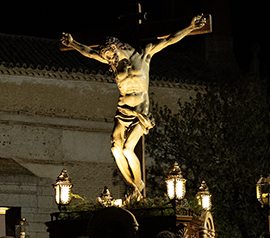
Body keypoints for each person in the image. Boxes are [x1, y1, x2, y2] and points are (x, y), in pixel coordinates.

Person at [61, 14, 207, 199]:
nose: (110, 60)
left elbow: (169, 40)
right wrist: (73, 43)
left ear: (116, 47)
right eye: (107, 57)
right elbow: (89, 52)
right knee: (115, 148)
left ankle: (138, 184)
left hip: (140, 109)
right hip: (123, 109)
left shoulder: (144, 53)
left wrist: (191, 27)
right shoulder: (112, 62)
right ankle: (133, 187)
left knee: (128, 148)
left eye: (111, 55)